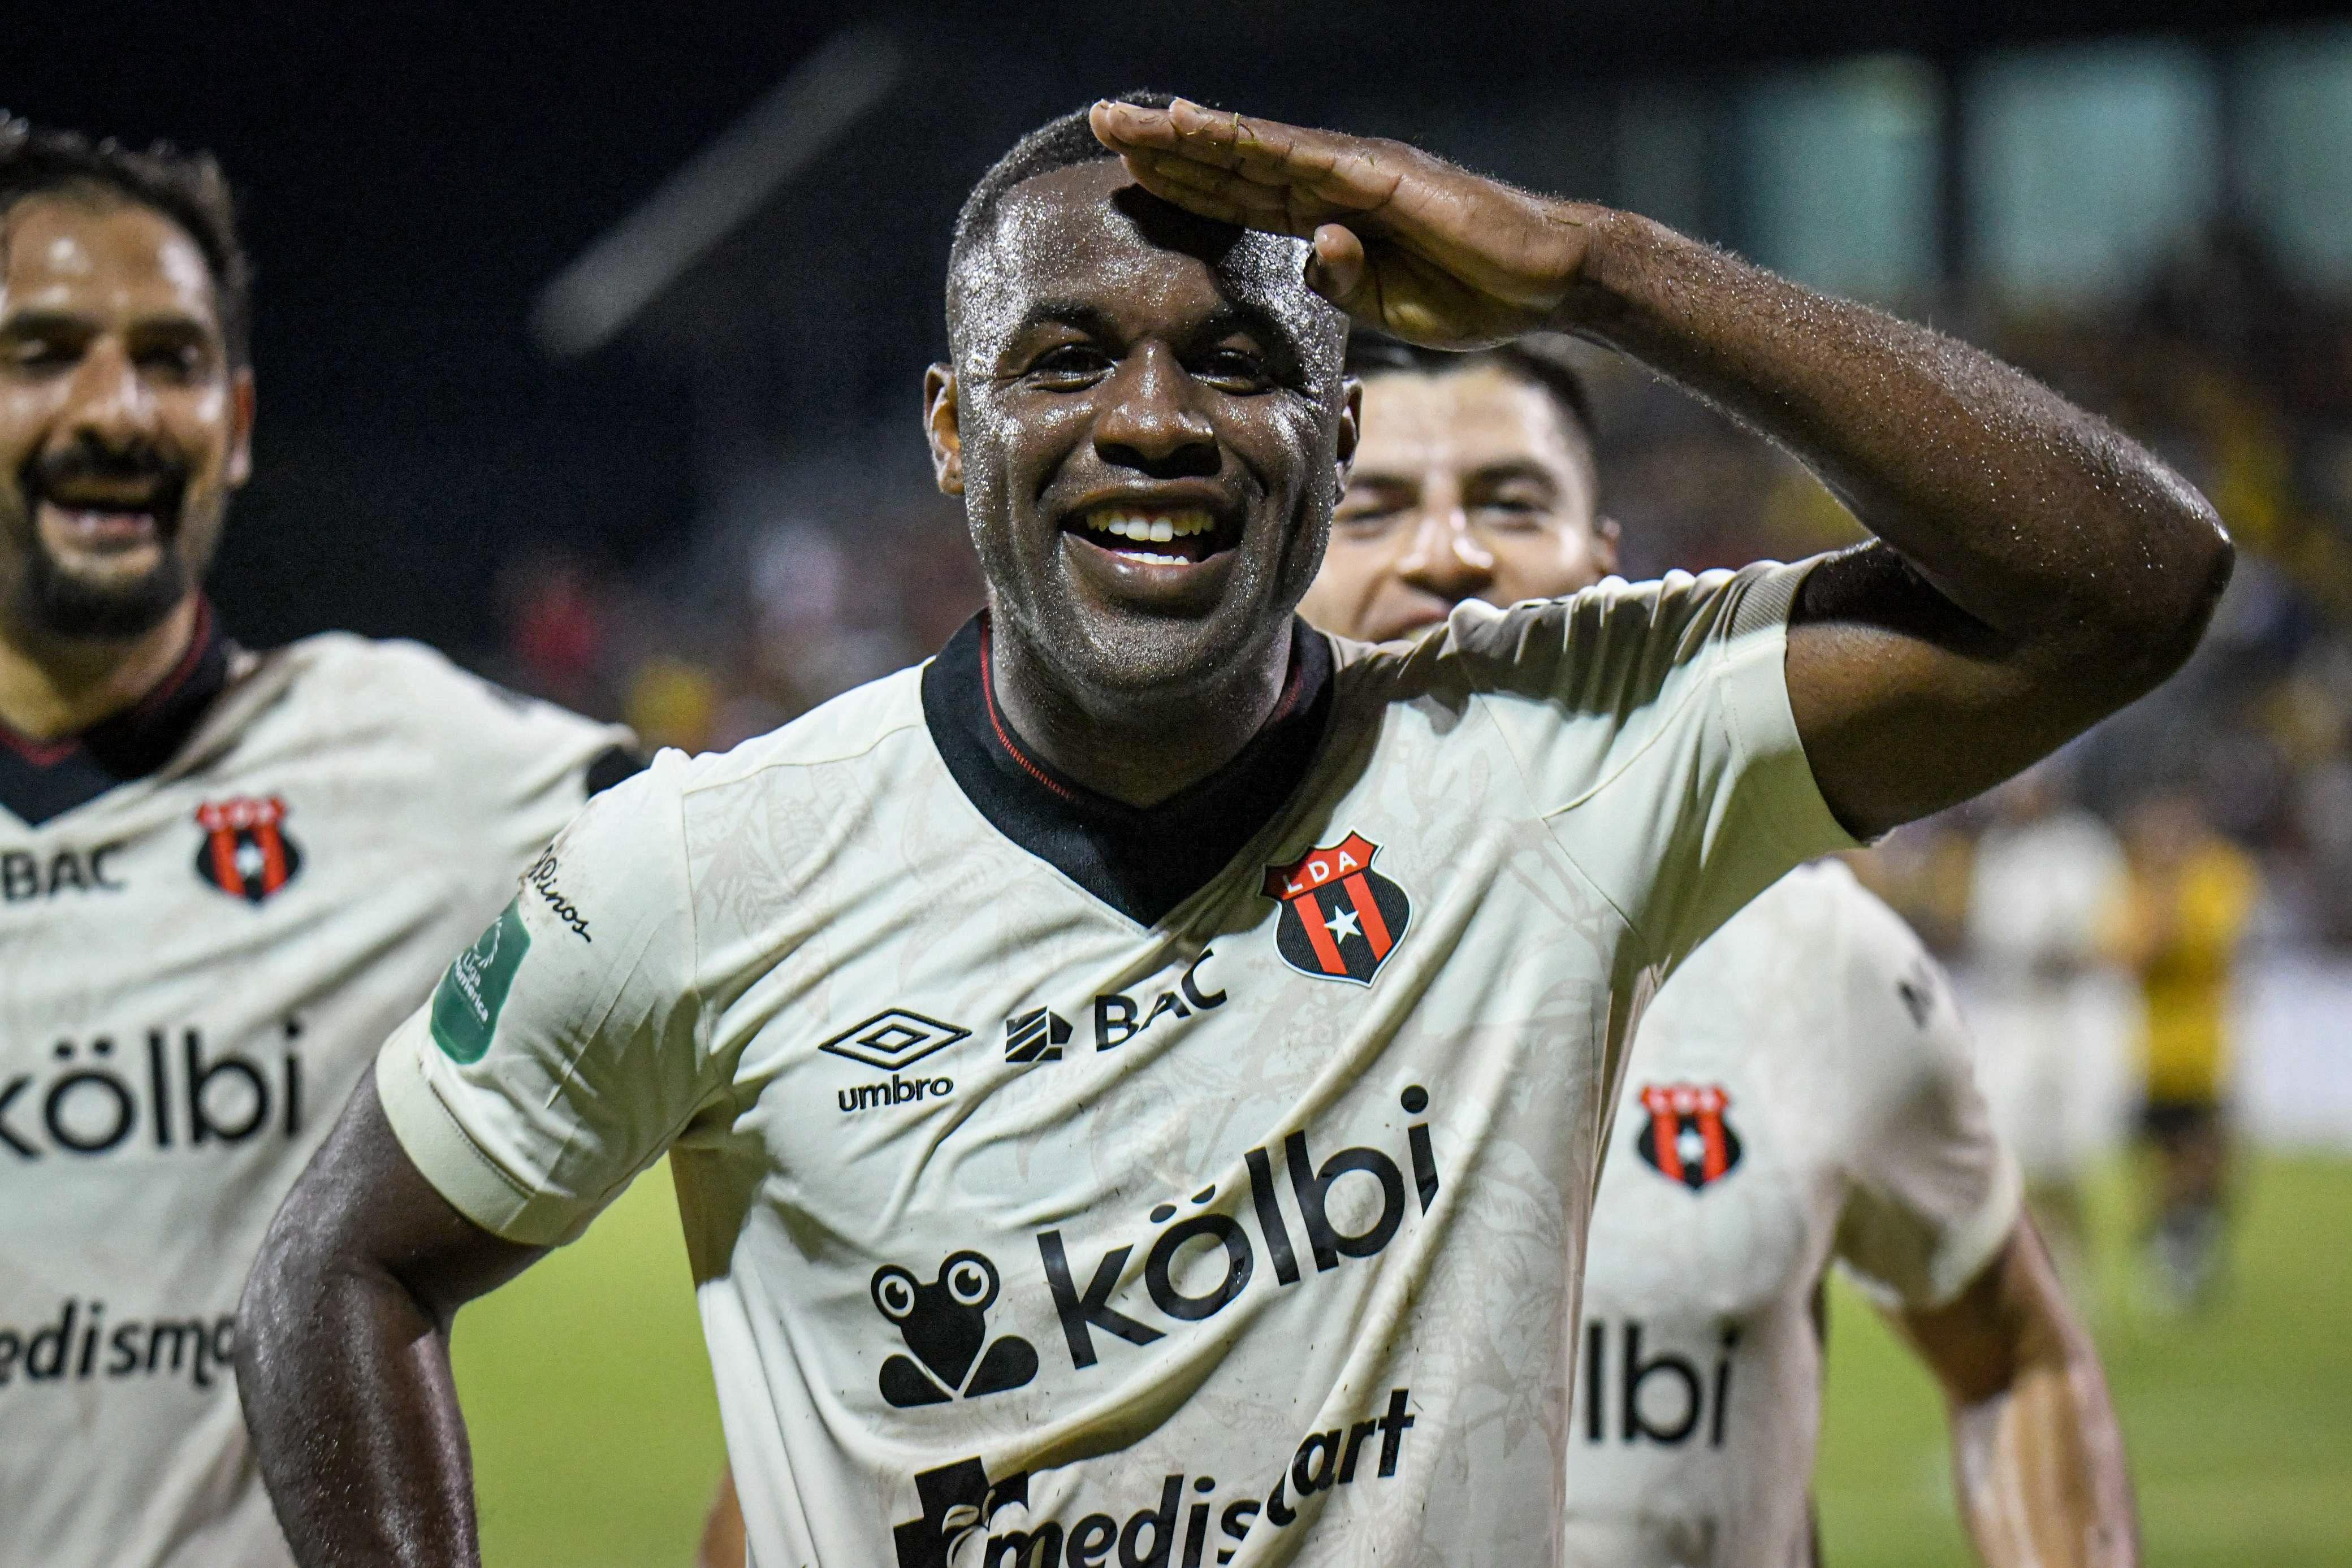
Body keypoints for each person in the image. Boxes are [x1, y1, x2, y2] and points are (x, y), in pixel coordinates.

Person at [238, 94, 2226, 1568]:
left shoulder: (1558, 763)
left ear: (1342, 433)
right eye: (1070, 356)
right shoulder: (702, 865)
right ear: (950, 429)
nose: (1160, 421)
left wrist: (1595, 270)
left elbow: (2128, 584)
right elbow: (336, 1271)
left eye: (1246, 360)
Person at [1304, 333, 2133, 1565]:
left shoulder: (1812, 956)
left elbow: (2015, 1356)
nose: (1447, 552)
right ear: (1287, 561)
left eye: (1508, 500)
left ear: (1602, 564)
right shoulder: (1161, 961)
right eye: (1373, 507)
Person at [0, 123, 632, 1568]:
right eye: (44, 353)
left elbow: (821, 842)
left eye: (168, 360)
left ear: (232, 420)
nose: (118, 410)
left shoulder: (419, 764)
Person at [1965, 764, 2135, 1284]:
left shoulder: (2087, 847)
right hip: (2017, 1016)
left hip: (2076, 1018)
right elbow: (1985, 935)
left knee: (2069, 1161)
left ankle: (2077, 1270)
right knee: (2011, 1156)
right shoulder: (2000, 852)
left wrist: (2073, 951)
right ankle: (2035, 1272)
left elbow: (2114, 931)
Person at [2114, 791, 2259, 1311]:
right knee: (2164, 1163)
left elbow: (2215, 944)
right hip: (2152, 1052)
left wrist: (2168, 898)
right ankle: (2174, 1255)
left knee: (2207, 1159)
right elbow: (2134, 956)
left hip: (2205, 1048)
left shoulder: (2221, 875)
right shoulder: (2139, 882)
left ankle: (2188, 1248)